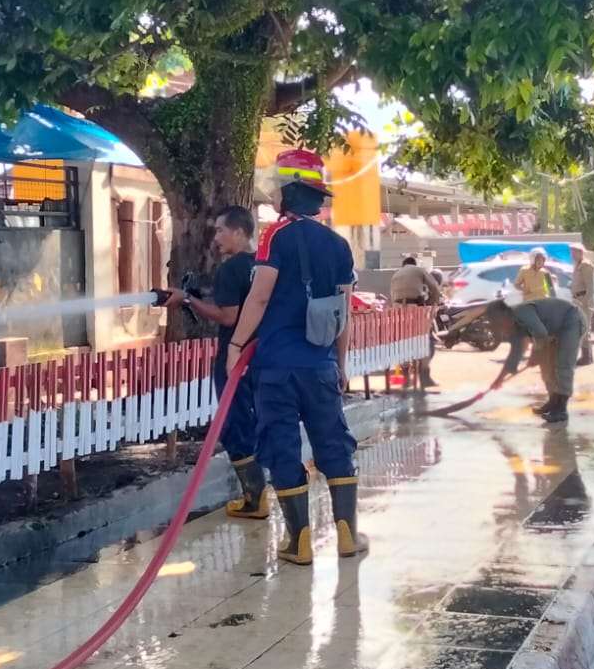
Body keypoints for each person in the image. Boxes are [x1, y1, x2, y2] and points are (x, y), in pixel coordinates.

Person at [226, 149, 363, 566]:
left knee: (283, 446)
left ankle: (299, 541)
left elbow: (259, 296)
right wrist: (340, 365)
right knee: (333, 443)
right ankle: (347, 535)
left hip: (276, 368)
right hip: (320, 366)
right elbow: (343, 314)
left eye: (277, 189)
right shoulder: (339, 245)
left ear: (289, 193)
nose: (272, 196)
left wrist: (235, 346)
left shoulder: (275, 237)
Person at [166, 206, 263, 519]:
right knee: (258, 422)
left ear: (239, 232)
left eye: (221, 230)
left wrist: (187, 300)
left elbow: (228, 316)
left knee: (235, 426)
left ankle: (255, 500)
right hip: (262, 357)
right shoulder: (263, 266)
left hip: (234, 360)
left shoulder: (231, 269)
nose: (216, 237)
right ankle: (263, 492)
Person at [484, 296, 583, 422]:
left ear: (505, 317)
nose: (500, 329)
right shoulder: (512, 328)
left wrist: (535, 354)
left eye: (499, 324)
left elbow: (540, 333)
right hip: (551, 331)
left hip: (571, 320)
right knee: (546, 369)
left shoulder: (522, 312)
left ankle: (561, 410)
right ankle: (553, 402)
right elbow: (514, 356)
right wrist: (499, 379)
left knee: (563, 366)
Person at [389, 254, 443, 388]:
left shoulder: (396, 275)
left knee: (403, 343)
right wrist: (434, 303)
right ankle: (425, 377)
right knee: (427, 341)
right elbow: (434, 287)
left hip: (398, 312)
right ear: (414, 264)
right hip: (414, 311)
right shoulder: (419, 270)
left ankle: (406, 379)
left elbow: (392, 296)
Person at [569, 244, 594, 366]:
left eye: (575, 252)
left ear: (581, 252)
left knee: (583, 329)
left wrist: (585, 302)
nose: (572, 255)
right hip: (577, 300)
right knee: (583, 329)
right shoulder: (578, 265)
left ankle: (586, 357)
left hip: (584, 300)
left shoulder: (586, 266)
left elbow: (591, 288)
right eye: (572, 252)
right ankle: (587, 357)